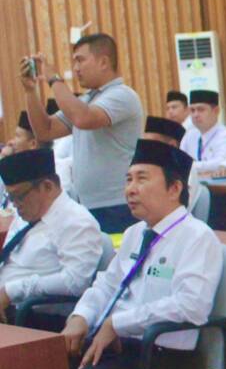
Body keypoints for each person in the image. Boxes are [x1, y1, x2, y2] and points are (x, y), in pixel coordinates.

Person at [63, 139, 222, 369]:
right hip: (117, 346)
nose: (130, 189)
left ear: (174, 188)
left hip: (159, 356)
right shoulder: (135, 233)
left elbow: (192, 305)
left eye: (141, 179)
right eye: (128, 180)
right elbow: (107, 284)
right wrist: (81, 316)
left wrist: (119, 323)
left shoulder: (197, 237)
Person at [21, 34, 145, 232]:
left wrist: (54, 79)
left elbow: (83, 119)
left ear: (103, 62)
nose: (76, 68)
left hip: (117, 204)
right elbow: (45, 130)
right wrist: (30, 91)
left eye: (80, 60)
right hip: (87, 204)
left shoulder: (122, 95)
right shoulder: (87, 100)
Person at [0, 148, 104, 324]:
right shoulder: (24, 216)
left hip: (33, 317)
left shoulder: (76, 222)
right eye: (11, 197)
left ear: (47, 186)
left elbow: (75, 282)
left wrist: (12, 290)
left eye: (19, 196)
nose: (15, 204)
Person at [143, 116, 202, 210]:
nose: (145, 147)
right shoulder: (145, 166)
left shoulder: (186, 170)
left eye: (151, 143)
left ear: (172, 145)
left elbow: (179, 207)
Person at [181, 90, 226, 165]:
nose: (195, 115)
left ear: (216, 111)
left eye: (201, 110)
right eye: (192, 110)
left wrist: (191, 167)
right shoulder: (189, 136)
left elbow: (221, 164)